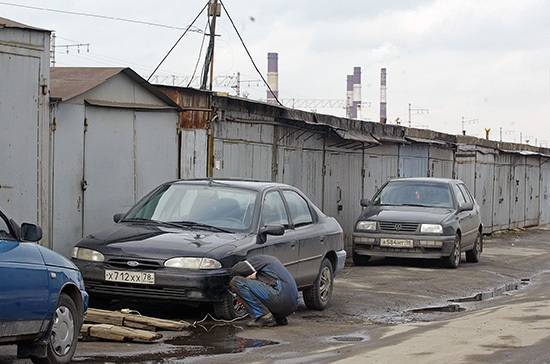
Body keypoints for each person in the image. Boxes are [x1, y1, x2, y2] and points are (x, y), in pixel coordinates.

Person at [230, 255, 299, 327]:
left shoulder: (260, 259)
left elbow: (237, 269)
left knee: (236, 282)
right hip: (292, 306)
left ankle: (264, 317)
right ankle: (279, 318)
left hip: (280, 298)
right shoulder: (272, 263)